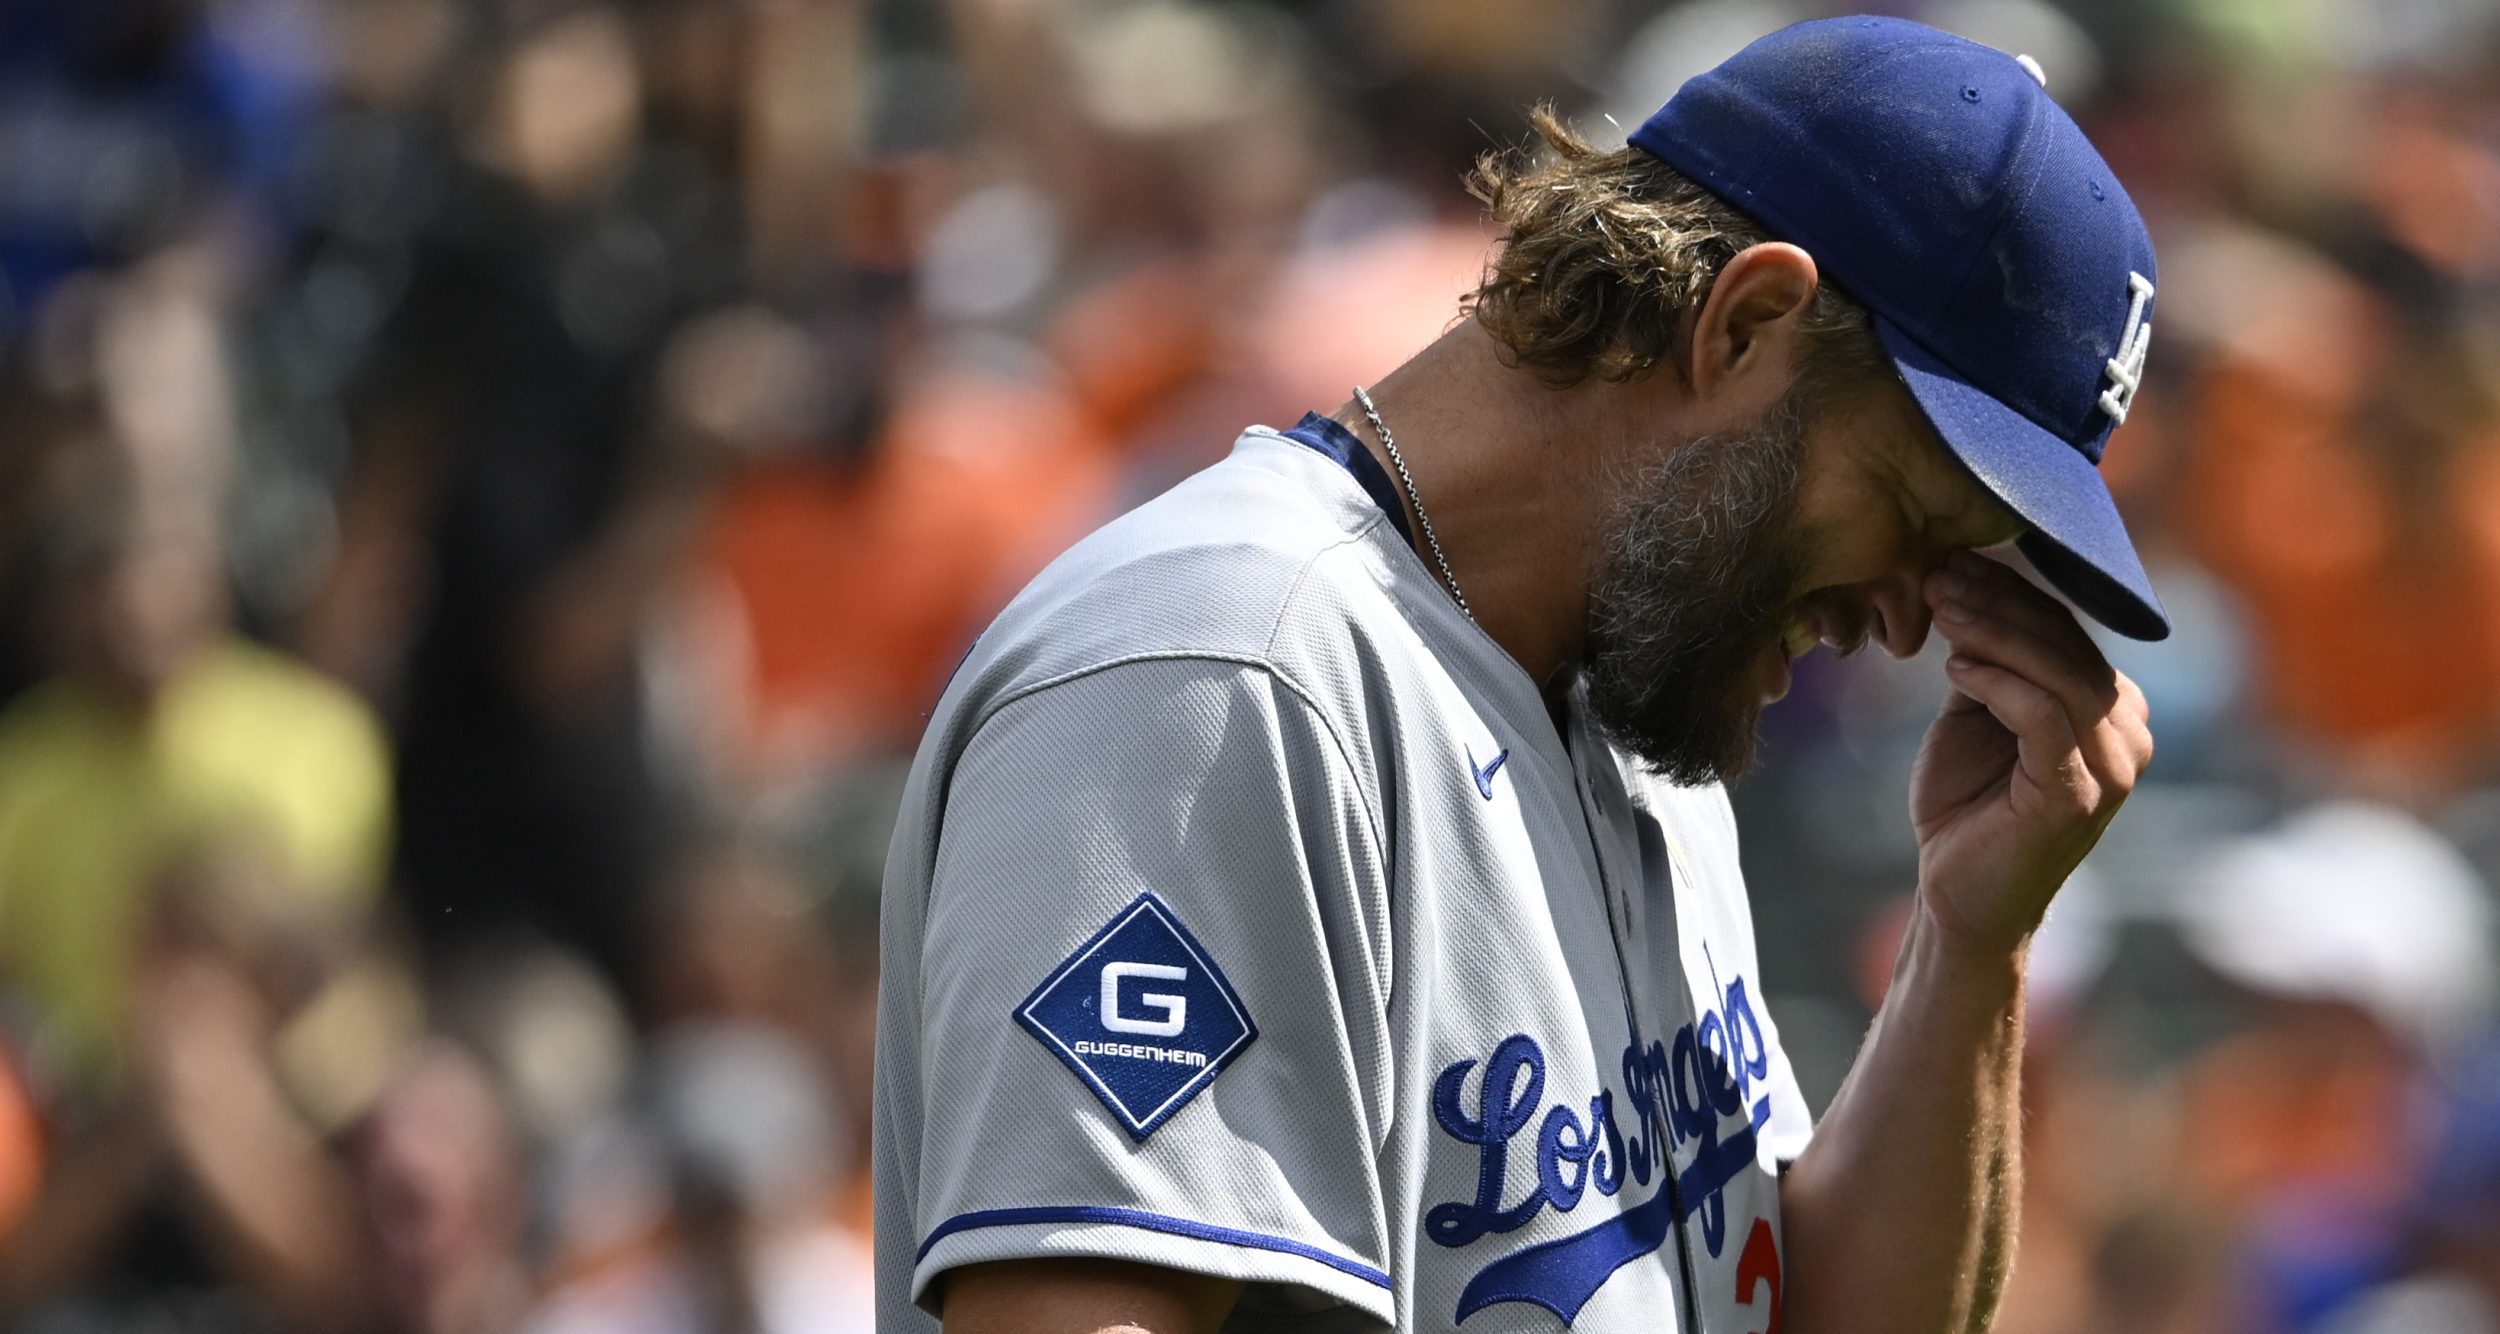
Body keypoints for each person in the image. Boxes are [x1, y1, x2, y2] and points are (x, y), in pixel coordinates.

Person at [874, 17, 2160, 1334]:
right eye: (1906, 505)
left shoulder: (1641, 698)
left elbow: (1798, 1313)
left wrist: (1970, 939)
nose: (1902, 621)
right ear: (1746, 324)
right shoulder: (1223, 674)